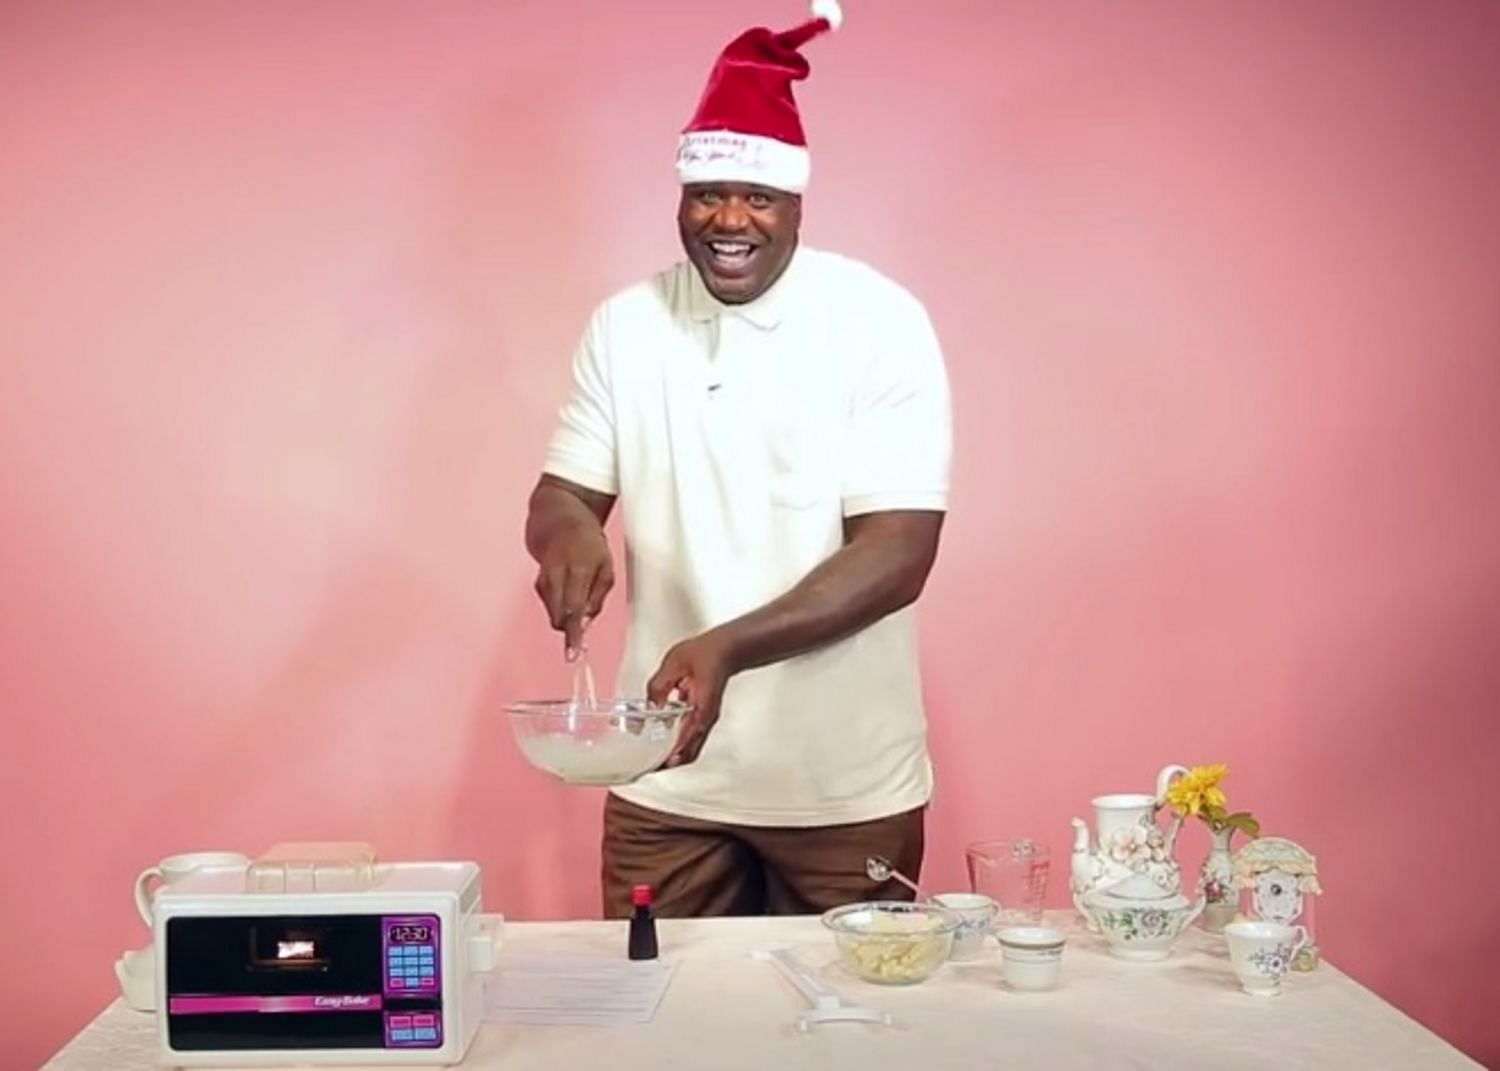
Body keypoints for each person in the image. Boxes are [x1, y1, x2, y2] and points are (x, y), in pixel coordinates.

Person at [524, 0, 953, 918]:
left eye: (756, 196)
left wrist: (725, 646)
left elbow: (899, 553)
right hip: (666, 779)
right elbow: (563, 490)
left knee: (852, 1044)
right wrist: (568, 536)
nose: (729, 218)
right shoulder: (627, 324)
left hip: (844, 787)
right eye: (707, 192)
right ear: (680, 196)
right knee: (657, 1029)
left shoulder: (876, 321)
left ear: (796, 201)